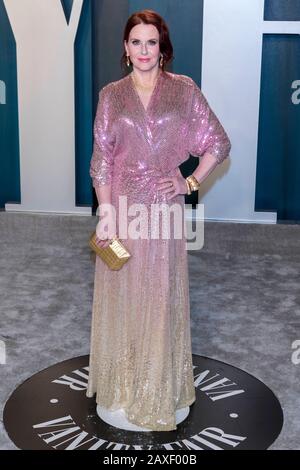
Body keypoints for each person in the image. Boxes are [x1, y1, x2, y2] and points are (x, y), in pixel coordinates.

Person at [86, 9, 231, 432]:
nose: (144, 50)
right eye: (136, 42)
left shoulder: (183, 91)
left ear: (161, 48)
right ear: (125, 49)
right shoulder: (111, 95)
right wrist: (107, 213)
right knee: (123, 294)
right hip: (124, 208)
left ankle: (156, 388)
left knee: (160, 295)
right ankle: (123, 387)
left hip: (164, 211)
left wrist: (189, 182)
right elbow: (102, 162)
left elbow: (217, 144)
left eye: (151, 42)